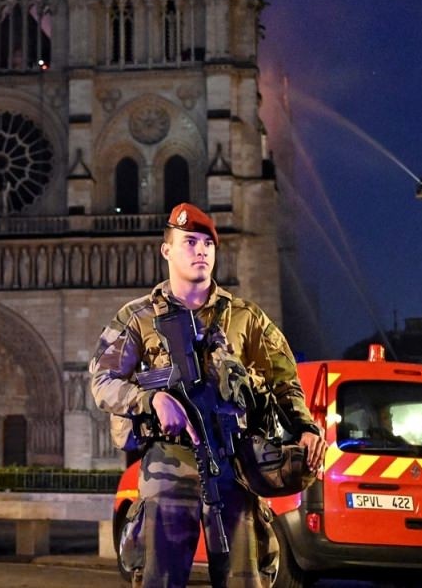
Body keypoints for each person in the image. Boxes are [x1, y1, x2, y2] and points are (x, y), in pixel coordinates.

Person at [89, 203, 326, 588]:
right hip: (168, 463)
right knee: (158, 579)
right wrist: (150, 400)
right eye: (190, 242)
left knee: (244, 579)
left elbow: (285, 379)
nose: (201, 251)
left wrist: (304, 427)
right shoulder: (138, 318)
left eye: (207, 244)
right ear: (167, 250)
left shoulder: (245, 317)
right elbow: (102, 382)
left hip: (233, 461)